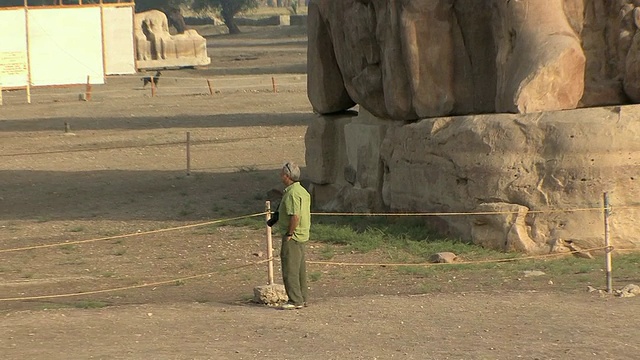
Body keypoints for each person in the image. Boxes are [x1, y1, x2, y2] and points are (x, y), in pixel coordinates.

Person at [267, 162, 311, 310]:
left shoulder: (292, 193)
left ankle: (294, 299)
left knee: (290, 269)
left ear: (287, 176)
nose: (281, 176)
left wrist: (289, 233)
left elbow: (295, 216)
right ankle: (302, 298)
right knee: (299, 270)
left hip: (294, 235)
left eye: (282, 174)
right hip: (302, 234)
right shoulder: (302, 191)